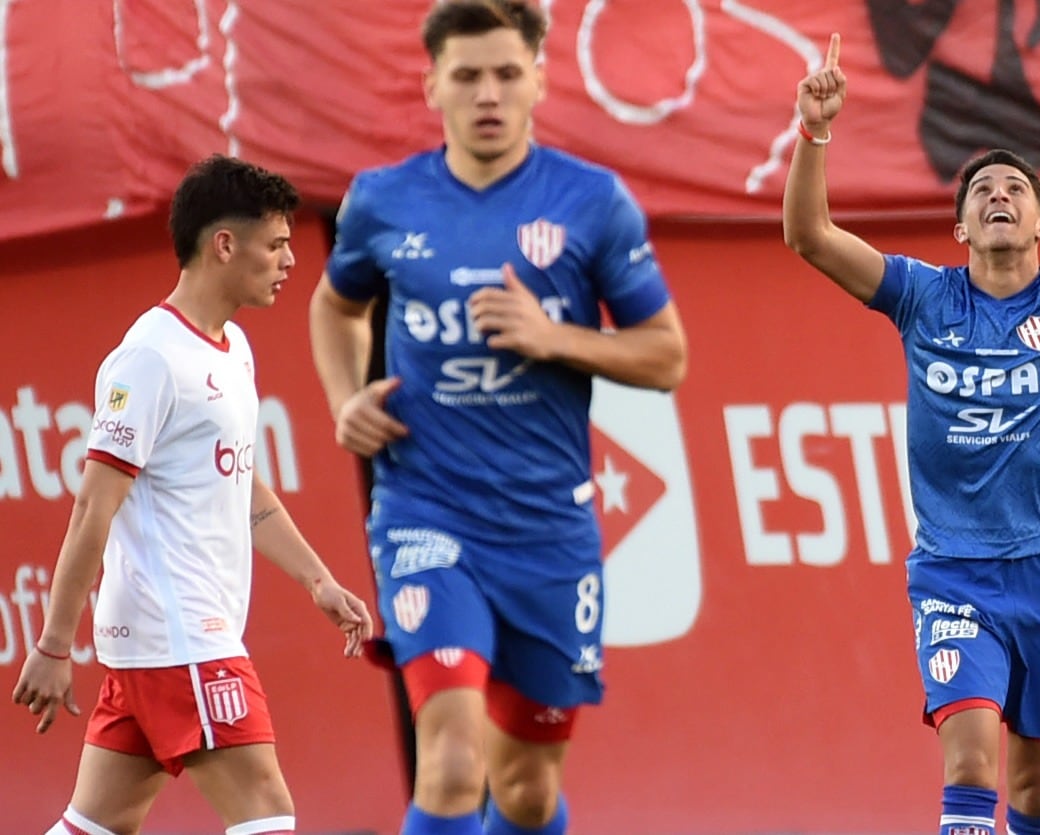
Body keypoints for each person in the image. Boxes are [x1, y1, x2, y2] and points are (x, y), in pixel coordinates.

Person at [782, 11, 1040, 835]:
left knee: (1038, 794)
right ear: (962, 229)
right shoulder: (922, 296)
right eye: (982, 191)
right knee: (971, 764)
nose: (998, 195)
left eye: (1016, 189)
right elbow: (809, 235)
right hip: (954, 574)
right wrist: (813, 132)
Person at [307, 2, 687, 834]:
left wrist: (553, 337)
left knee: (523, 790)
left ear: (540, 81)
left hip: (550, 530)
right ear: (432, 83)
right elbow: (335, 308)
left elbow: (667, 356)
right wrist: (345, 400)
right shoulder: (383, 201)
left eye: (507, 74)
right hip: (424, 512)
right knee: (448, 762)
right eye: (468, 74)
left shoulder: (591, 202)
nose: (488, 92)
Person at [11, 154, 375, 835]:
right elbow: (95, 505)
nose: (290, 260)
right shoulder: (149, 358)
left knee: (97, 824)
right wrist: (55, 644)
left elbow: (242, 486)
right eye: (276, 244)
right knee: (267, 811)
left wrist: (318, 581)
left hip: (165, 641)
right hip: (182, 637)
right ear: (224, 245)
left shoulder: (232, 346)